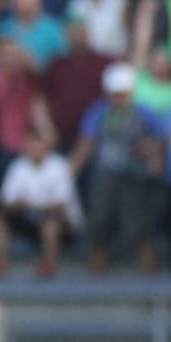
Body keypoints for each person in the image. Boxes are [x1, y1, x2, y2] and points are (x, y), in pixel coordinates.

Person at [70, 63, 166, 274]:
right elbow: (87, 142)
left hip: (135, 175)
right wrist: (71, 170)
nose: (118, 98)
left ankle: (148, 262)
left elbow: (162, 139)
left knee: (137, 220)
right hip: (105, 174)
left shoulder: (144, 112)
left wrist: (152, 151)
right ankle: (98, 259)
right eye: (115, 94)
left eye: (122, 93)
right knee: (99, 216)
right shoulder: (98, 111)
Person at [0, 130, 84, 278]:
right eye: (31, 146)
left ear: (46, 147)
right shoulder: (18, 166)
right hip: (30, 219)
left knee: (50, 221)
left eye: (38, 145)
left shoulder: (59, 166)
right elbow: (5, 201)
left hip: (63, 226)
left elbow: (62, 205)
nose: (34, 150)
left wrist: (32, 205)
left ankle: (49, 265)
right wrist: (26, 206)